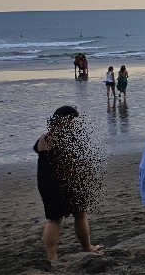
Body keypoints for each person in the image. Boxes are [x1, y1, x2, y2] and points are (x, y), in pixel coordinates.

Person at [33, 106, 100, 262]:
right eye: (72, 120)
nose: (74, 124)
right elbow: (70, 161)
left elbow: (38, 151)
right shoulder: (65, 137)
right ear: (64, 119)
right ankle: (86, 247)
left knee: (53, 219)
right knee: (80, 214)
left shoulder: (45, 137)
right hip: (63, 182)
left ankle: (52, 257)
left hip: (45, 182)